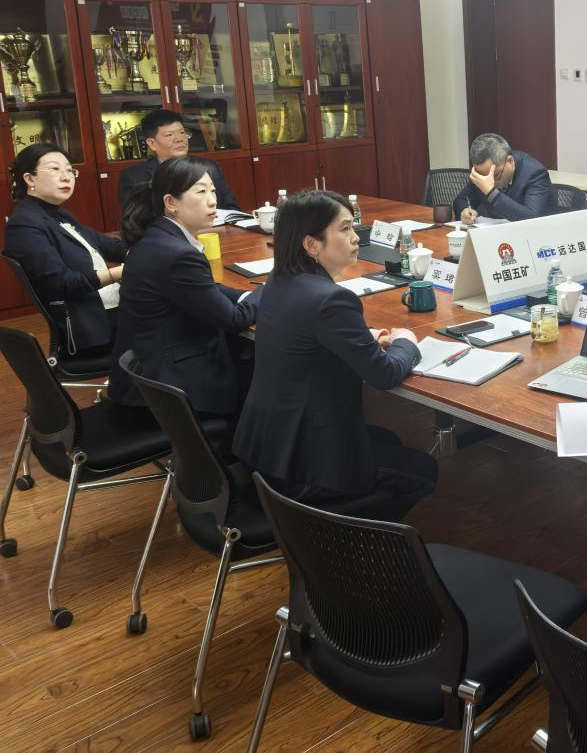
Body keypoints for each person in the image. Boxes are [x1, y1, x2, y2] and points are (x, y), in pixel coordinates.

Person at [233, 191, 437, 520]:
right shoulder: (331, 300)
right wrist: (407, 343)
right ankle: (345, 541)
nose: (356, 237)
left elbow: (310, 333)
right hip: (301, 468)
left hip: (265, 449)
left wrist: (365, 337)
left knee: (388, 438)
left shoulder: (278, 282)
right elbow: (384, 374)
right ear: (312, 245)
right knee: (423, 470)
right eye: (344, 229)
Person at [109, 156, 257, 416]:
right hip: (168, 391)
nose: (213, 200)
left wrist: (246, 294)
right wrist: (272, 290)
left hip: (149, 371)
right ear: (171, 203)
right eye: (201, 192)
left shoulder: (159, 236)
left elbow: (205, 289)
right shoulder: (177, 254)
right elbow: (233, 319)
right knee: (270, 382)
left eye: (213, 191)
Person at [4, 144, 127, 356]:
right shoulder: (24, 224)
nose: (66, 177)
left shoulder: (59, 215)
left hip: (112, 312)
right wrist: (123, 271)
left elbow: (110, 246)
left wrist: (143, 251)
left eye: (70, 170)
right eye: (55, 169)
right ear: (30, 179)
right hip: (93, 329)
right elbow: (62, 283)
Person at [117, 109, 240, 212]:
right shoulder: (135, 177)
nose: (179, 139)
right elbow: (136, 222)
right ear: (152, 143)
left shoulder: (209, 166)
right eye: (170, 135)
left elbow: (231, 208)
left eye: (182, 132)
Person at [452, 133, 552, 223]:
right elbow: (461, 200)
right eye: (483, 176)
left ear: (510, 161)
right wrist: (465, 211)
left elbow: (531, 218)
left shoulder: (535, 174)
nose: (488, 181)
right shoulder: (482, 172)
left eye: (495, 175)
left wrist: (492, 193)